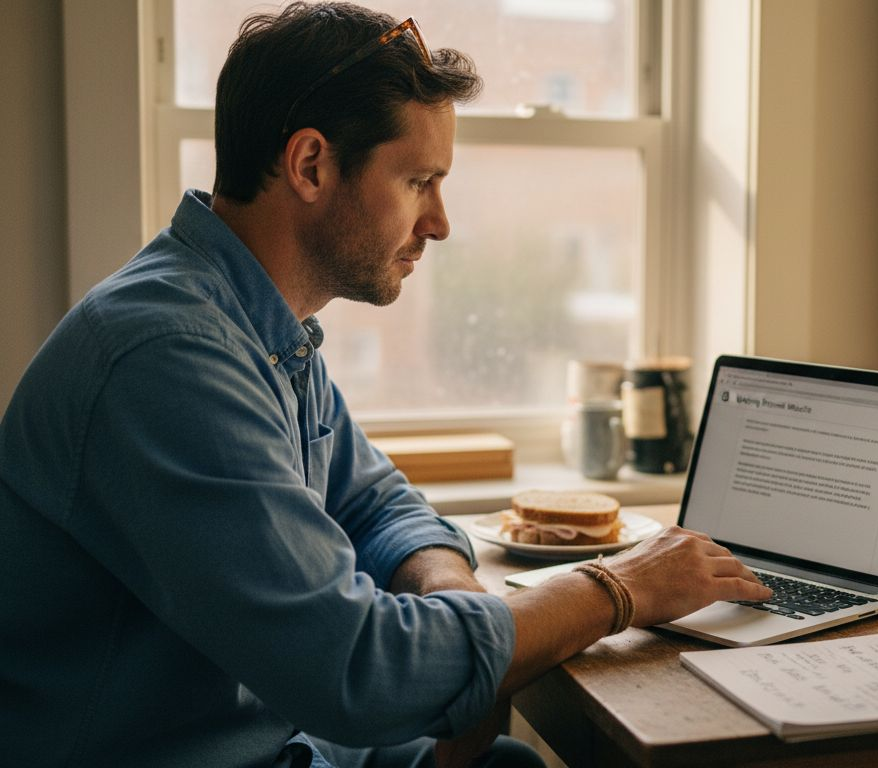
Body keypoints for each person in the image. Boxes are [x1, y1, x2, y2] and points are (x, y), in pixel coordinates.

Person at [0, 3, 771, 767]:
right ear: (311, 165)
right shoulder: (169, 357)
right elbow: (357, 672)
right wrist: (616, 589)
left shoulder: (260, 325)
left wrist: (452, 586)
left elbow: (373, 502)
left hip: (280, 742)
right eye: (418, 181)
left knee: (507, 762)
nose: (438, 223)